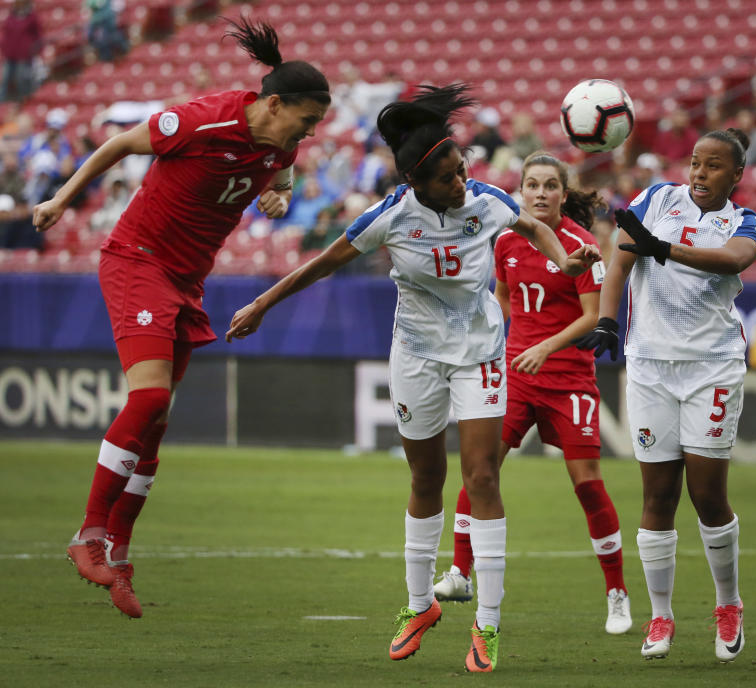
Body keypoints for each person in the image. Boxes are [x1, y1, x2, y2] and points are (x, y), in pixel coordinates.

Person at [225, 84, 599, 673]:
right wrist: (262, 305)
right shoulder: (391, 218)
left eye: (462, 169)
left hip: (479, 353)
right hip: (416, 358)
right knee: (426, 476)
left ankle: (489, 625)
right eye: (449, 176)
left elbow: (532, 227)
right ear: (417, 184)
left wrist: (562, 259)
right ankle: (420, 606)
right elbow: (320, 265)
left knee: (482, 476)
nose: (462, 182)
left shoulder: (485, 200)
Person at [31, 17, 331, 619]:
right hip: (137, 260)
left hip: (186, 282)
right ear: (274, 104)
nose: (310, 131)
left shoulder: (282, 142)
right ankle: (88, 535)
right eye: (306, 119)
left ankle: (117, 552)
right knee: (146, 402)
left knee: (158, 420)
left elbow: (288, 163)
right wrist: (63, 199)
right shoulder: (203, 120)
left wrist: (284, 189)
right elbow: (119, 145)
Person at [576, 127, 756, 663]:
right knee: (657, 496)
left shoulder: (746, 223)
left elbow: (732, 260)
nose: (700, 174)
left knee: (707, 496)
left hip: (712, 369)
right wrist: (609, 321)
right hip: (651, 366)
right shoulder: (657, 198)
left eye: (714, 166)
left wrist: (665, 247)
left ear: (736, 175)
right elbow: (621, 260)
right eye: (697, 163)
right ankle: (660, 615)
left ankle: (728, 605)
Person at [432, 151, 632, 635]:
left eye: (549, 185)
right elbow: (502, 297)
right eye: (532, 185)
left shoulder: (582, 245)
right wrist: (500, 342)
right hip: (517, 372)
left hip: (569, 377)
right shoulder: (506, 241)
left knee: (587, 483)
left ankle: (617, 594)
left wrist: (544, 347)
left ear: (564, 193)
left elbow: (592, 315)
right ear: (520, 190)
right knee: (482, 467)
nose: (540, 193)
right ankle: (460, 572)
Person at [1, 0, 42, 102]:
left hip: (24, 55)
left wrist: (36, 49)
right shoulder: (11, 17)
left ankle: (23, 102)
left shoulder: (32, 17)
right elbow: (6, 34)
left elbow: (38, 35)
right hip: (10, 54)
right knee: (5, 78)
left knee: (21, 79)